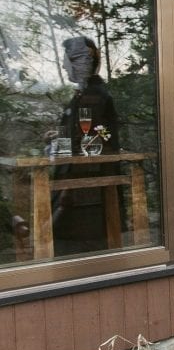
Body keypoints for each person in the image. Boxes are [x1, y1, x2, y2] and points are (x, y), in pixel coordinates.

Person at [52, 36, 120, 254]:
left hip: (87, 186)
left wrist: (68, 187)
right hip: (80, 184)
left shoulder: (94, 95)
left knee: (85, 249)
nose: (63, 65)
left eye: (67, 60)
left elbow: (103, 133)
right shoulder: (85, 93)